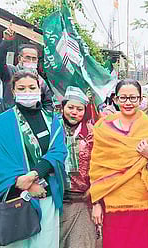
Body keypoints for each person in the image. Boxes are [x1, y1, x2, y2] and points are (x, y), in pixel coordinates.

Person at [89, 79, 148, 248]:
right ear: (115, 100)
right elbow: (96, 168)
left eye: (133, 98)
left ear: (140, 100)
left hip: (143, 203)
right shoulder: (104, 127)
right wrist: (96, 203)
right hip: (113, 203)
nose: (128, 103)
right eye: (123, 98)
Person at [0, 71, 67, 247]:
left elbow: (58, 152)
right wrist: (27, 185)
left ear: (40, 89)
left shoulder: (52, 119)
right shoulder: (3, 122)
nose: (27, 91)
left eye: (32, 87)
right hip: (16, 200)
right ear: (13, 92)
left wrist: (33, 176)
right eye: (21, 88)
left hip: (46, 195)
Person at [58, 86, 97, 248]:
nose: (74, 112)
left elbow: (99, 164)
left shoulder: (92, 133)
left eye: (79, 109)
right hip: (57, 199)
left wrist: (95, 191)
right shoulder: (53, 129)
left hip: (82, 200)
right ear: (63, 107)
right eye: (70, 108)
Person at [0, 24, 53, 116]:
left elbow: (48, 103)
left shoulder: (41, 81)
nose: (31, 61)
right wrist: (5, 42)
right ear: (19, 58)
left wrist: (46, 119)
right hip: (9, 118)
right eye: (28, 57)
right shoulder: (10, 73)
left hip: (31, 121)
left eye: (34, 58)